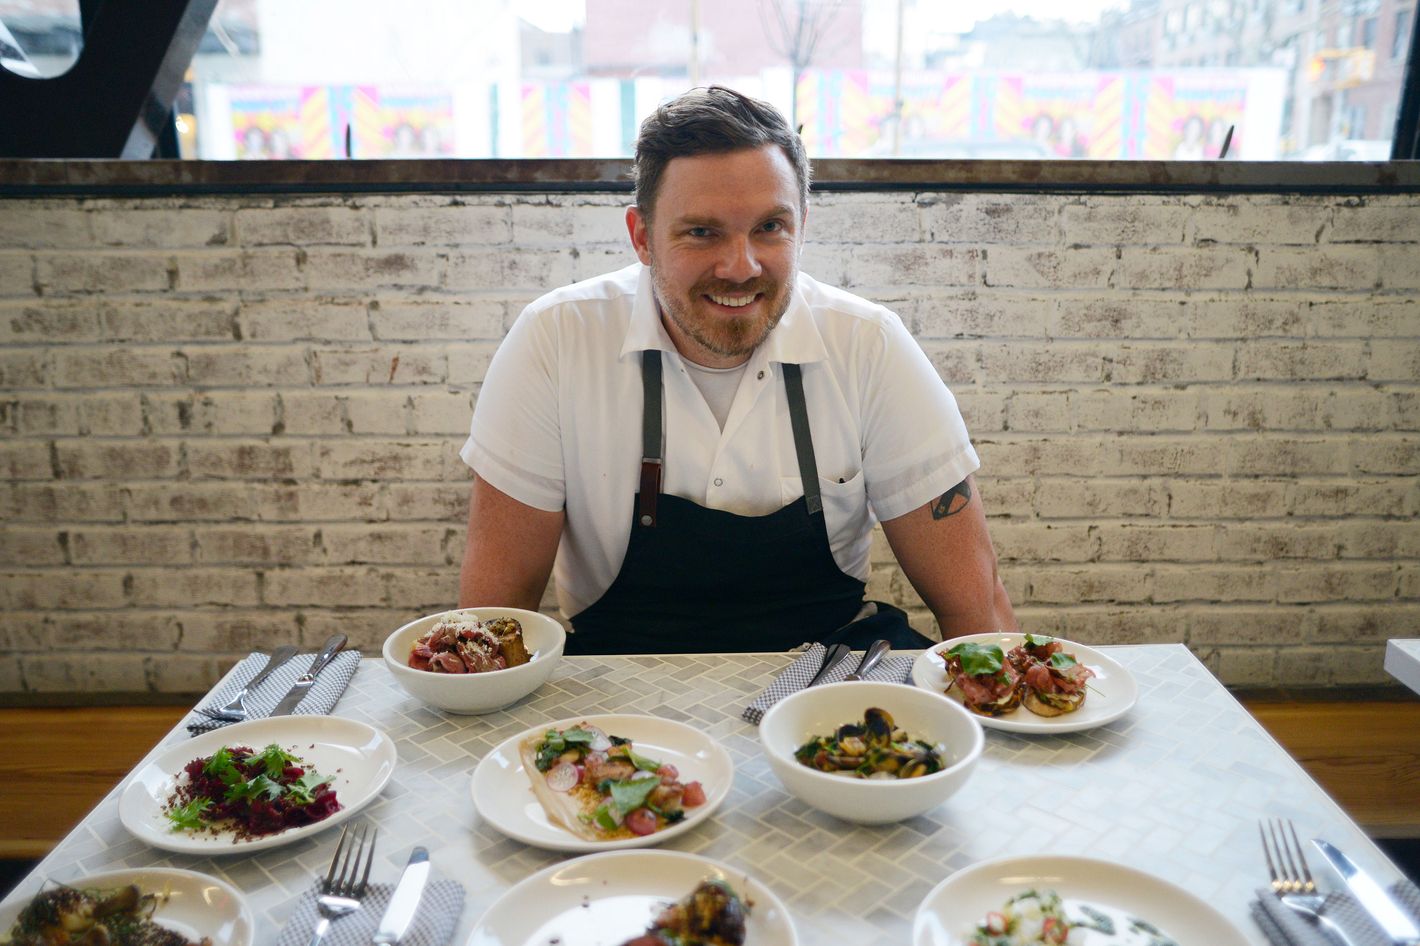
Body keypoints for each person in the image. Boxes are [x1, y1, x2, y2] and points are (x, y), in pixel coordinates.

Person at [458, 86, 1016, 654]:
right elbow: (490, 628)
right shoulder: (556, 340)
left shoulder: (868, 346)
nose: (740, 266)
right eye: (702, 232)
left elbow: (979, 613)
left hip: (829, 691)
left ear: (802, 225)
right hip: (619, 691)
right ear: (643, 237)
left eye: (770, 227)